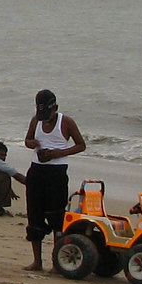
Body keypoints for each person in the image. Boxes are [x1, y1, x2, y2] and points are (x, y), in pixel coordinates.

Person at [22, 89, 86, 273]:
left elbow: (81, 145)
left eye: (47, 114)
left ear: (55, 108)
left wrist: (59, 153)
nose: (44, 118)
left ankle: (57, 262)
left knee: (57, 217)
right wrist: (32, 143)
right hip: (36, 171)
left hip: (56, 173)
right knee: (34, 215)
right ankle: (37, 261)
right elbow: (27, 140)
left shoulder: (66, 122)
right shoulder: (36, 120)